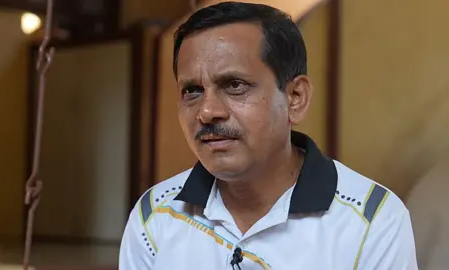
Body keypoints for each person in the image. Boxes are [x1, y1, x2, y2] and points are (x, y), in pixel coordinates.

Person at [119, 2, 418, 269]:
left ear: (295, 98)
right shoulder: (156, 214)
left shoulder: (372, 221)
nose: (207, 111)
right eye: (192, 91)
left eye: (235, 85)